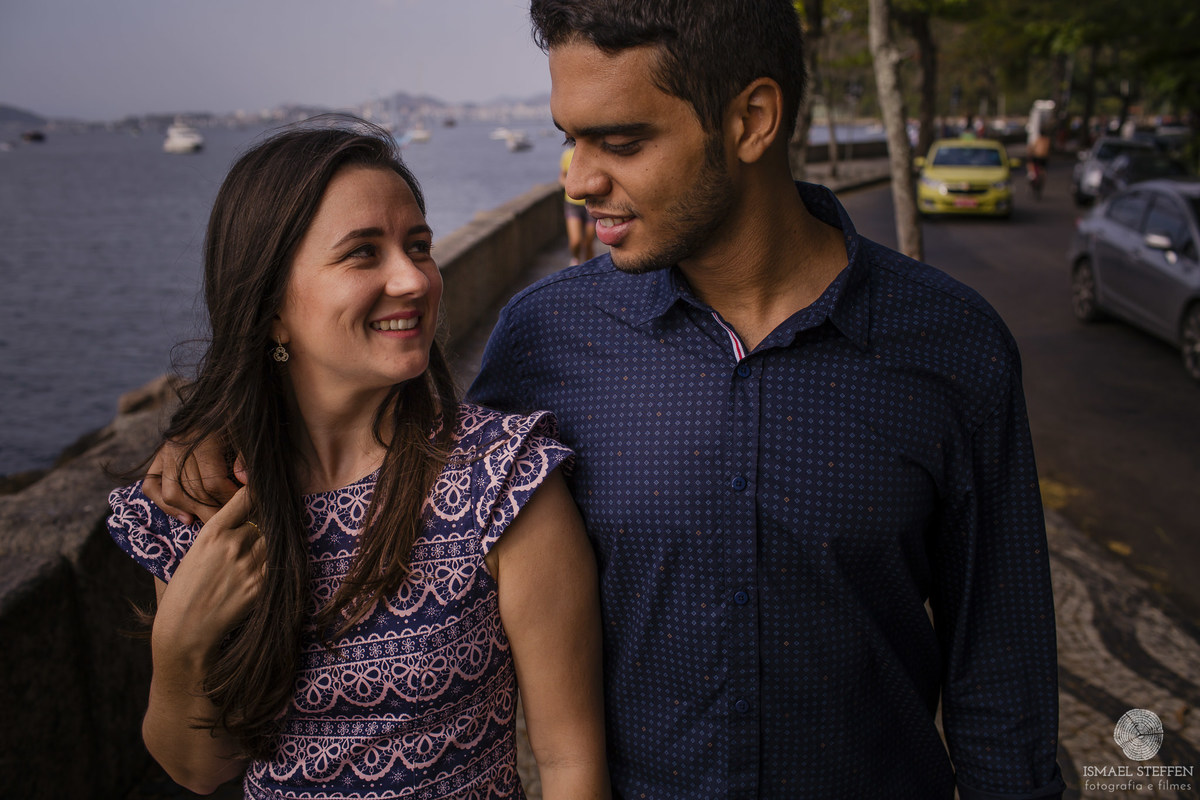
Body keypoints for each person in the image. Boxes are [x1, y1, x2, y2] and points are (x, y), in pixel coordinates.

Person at [145, 3, 1066, 798]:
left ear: (751, 120)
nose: (577, 181)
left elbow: (1004, 674)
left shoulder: (951, 346)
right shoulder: (545, 337)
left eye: (620, 141)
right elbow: (408, 455)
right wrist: (231, 427)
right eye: (568, 138)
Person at [108, 119, 609, 799]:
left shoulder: (502, 482)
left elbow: (570, 762)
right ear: (272, 308)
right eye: (363, 254)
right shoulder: (202, 501)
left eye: (420, 246)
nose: (413, 280)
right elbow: (200, 769)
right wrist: (179, 651)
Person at [561, 145, 597, 264]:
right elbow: (562, 176)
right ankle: (575, 259)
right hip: (572, 204)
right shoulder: (567, 154)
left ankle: (588, 271)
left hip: (591, 203)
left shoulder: (594, 154)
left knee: (588, 243)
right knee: (575, 241)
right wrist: (569, 185)